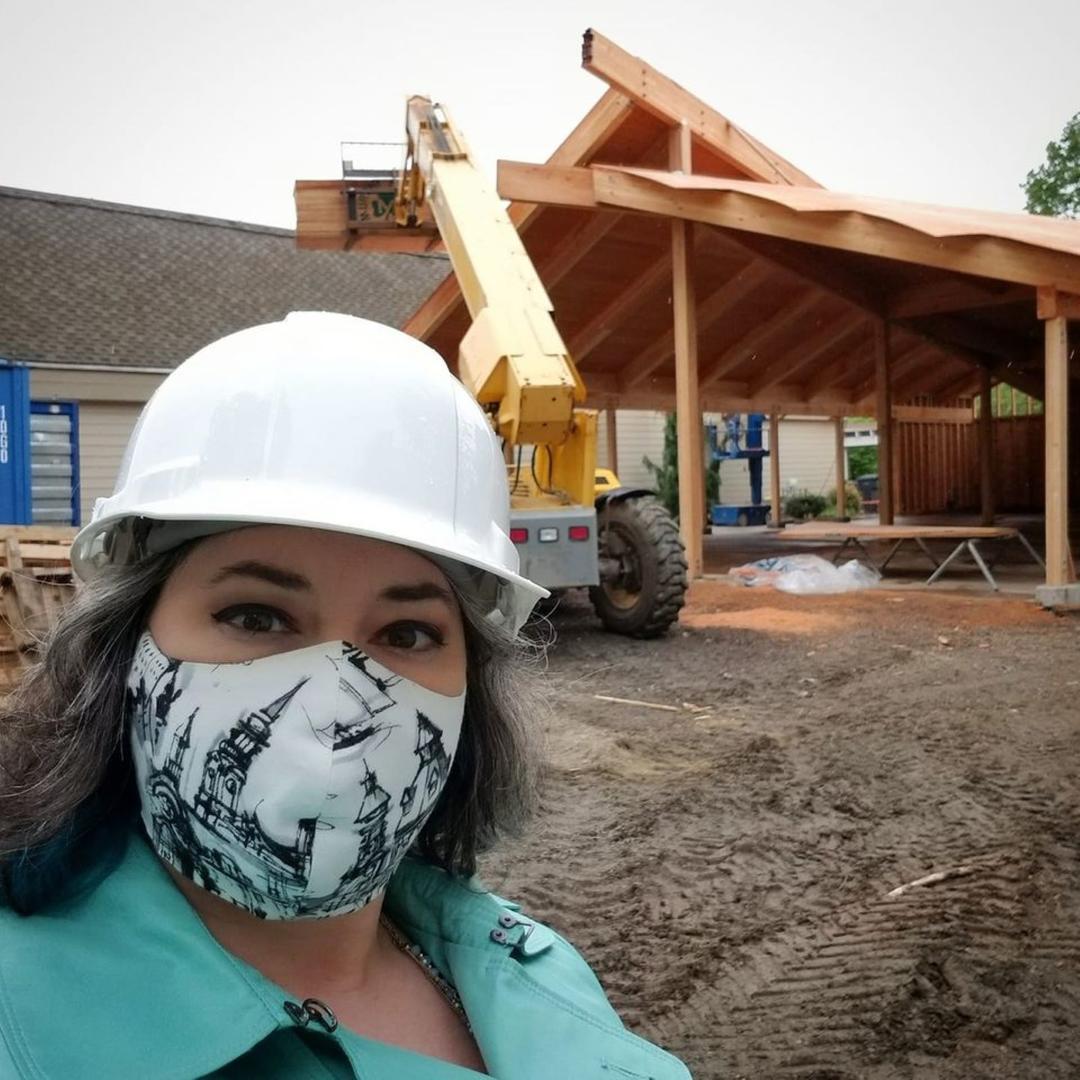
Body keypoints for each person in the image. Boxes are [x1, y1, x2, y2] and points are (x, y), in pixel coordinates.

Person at [0, 313, 690, 1080]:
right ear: (126, 649)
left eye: (406, 632)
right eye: (256, 617)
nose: (335, 700)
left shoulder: (530, 972)